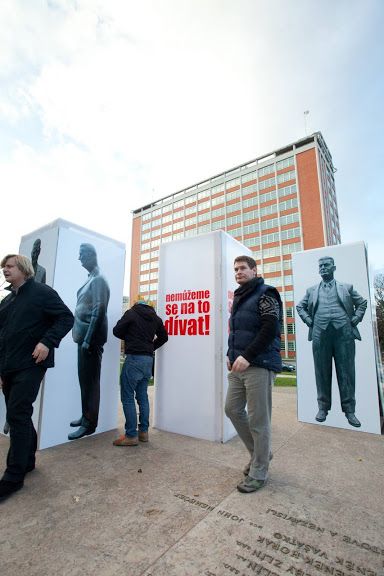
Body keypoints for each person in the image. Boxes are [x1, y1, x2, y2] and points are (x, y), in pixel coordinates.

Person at [0, 254, 73, 502]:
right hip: (9, 366)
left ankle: (13, 477)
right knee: (18, 413)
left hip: (32, 362)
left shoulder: (41, 292)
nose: (5, 270)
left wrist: (46, 342)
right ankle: (27, 460)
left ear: (23, 268)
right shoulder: (8, 301)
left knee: (17, 413)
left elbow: (66, 317)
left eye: (9, 266)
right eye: (3, 267)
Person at [225, 255, 282, 494]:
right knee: (232, 409)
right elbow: (236, 331)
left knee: (259, 420)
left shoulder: (267, 292)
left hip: (258, 364)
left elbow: (271, 328)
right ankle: (261, 454)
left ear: (254, 270)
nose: (238, 272)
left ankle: (259, 471)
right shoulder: (240, 297)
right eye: (235, 269)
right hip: (238, 366)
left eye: (243, 268)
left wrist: (247, 355)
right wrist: (231, 353)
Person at [296, 256, 367, 427]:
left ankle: (350, 411)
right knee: (321, 372)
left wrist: (354, 320)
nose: (322, 268)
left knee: (347, 372)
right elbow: (300, 306)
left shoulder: (347, 287)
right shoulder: (311, 290)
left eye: (326, 265)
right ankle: (323, 407)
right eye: (320, 266)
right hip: (320, 334)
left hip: (344, 333)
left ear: (333, 267)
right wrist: (309, 321)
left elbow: (362, 303)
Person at [112, 299, 168, 446]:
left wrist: (131, 337)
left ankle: (131, 435)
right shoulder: (155, 317)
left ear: (136, 304)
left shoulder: (131, 313)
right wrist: (150, 347)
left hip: (134, 359)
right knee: (142, 396)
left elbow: (116, 330)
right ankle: (143, 432)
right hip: (148, 360)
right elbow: (164, 337)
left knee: (128, 397)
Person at [69, 244, 110, 440]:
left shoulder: (99, 280)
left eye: (82, 255)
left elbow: (99, 311)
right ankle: (85, 415)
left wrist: (87, 339)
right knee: (84, 381)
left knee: (90, 383)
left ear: (92, 255)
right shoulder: (91, 278)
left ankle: (89, 423)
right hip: (84, 339)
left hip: (90, 341)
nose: (79, 259)